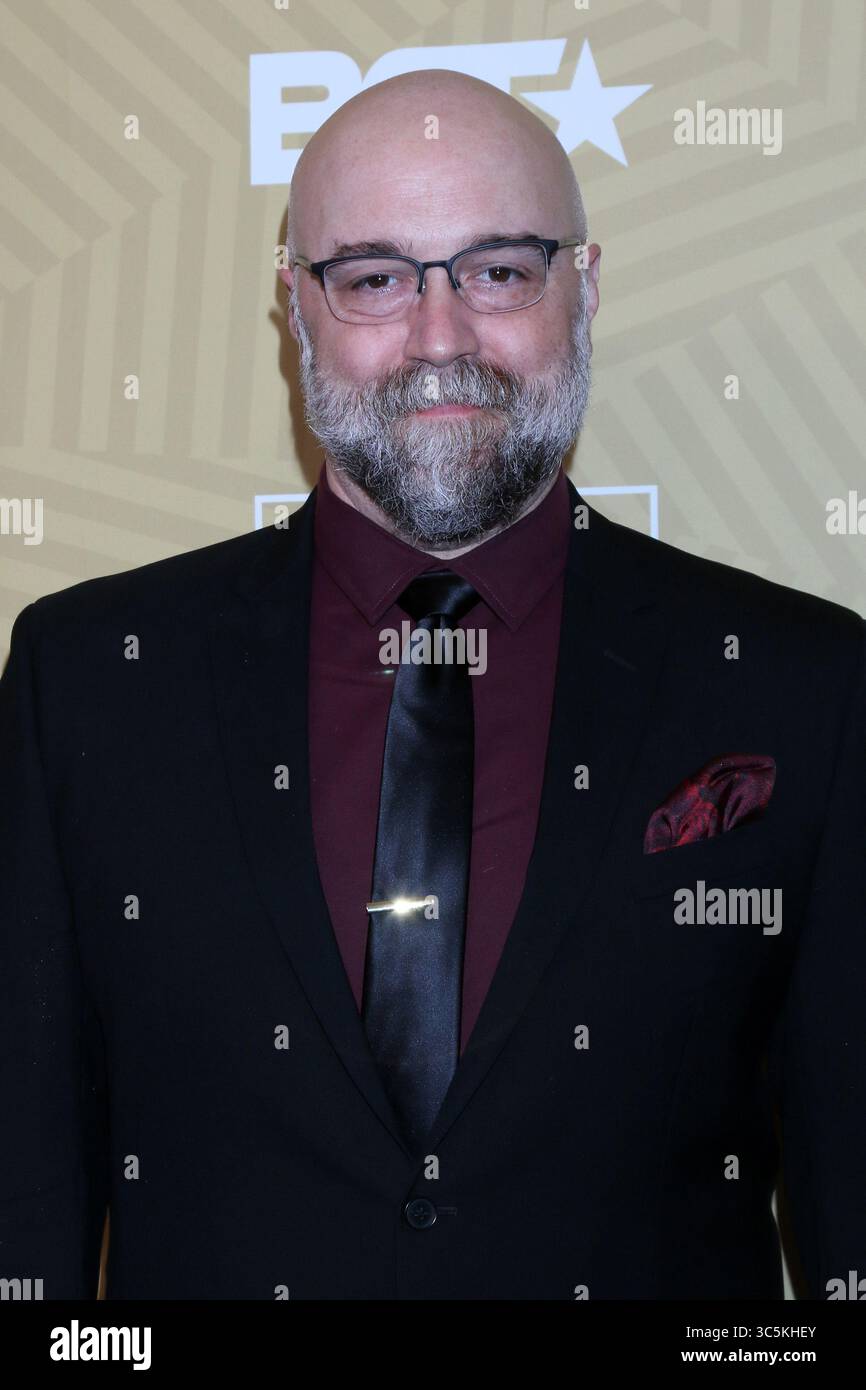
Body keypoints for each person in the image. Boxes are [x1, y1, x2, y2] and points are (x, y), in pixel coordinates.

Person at [1, 69, 863, 1301]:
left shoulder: (801, 686)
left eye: (498, 269)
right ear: (293, 313)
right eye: (373, 279)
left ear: (586, 287)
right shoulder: (86, 681)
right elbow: (25, 1199)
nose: (441, 337)